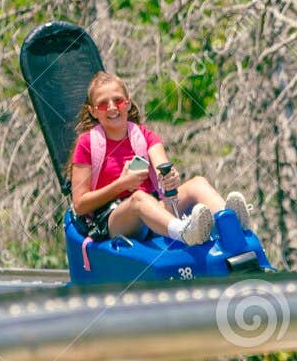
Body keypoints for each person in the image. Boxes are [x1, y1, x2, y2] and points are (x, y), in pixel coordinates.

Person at [67, 71, 249, 244]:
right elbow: (80, 205)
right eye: (104, 104)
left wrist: (170, 179)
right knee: (139, 198)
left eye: (118, 101)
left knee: (198, 183)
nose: (113, 107)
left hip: (152, 211)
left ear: (128, 103)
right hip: (113, 220)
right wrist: (121, 185)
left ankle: (232, 225)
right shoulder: (86, 144)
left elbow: (163, 167)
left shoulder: (145, 136)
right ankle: (185, 232)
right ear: (93, 111)